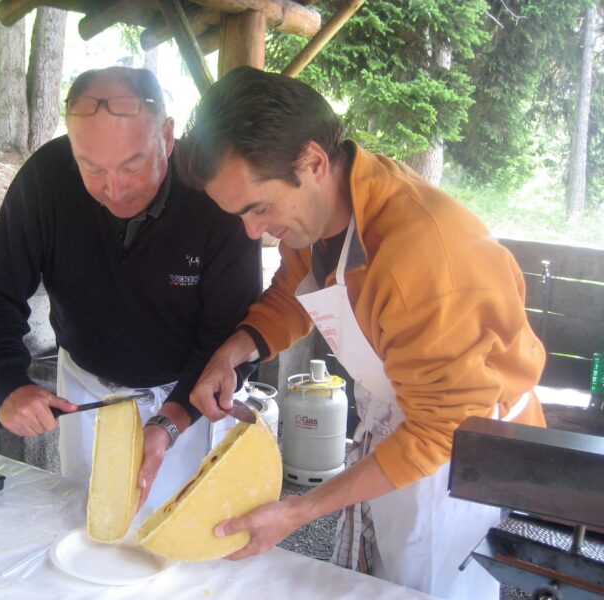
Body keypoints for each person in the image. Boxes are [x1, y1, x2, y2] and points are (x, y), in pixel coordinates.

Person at [174, 66, 546, 600]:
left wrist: (301, 510)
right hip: (404, 422)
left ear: (314, 162)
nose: (251, 231)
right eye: (239, 214)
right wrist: (232, 353)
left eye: (258, 208)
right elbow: (291, 294)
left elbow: (440, 431)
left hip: (462, 456)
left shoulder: (420, 259)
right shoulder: (319, 213)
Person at [0, 66, 261, 511]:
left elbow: (231, 333)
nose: (115, 190)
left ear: (165, 136)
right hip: (86, 390)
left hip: (188, 395)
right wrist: (6, 382)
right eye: (91, 168)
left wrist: (172, 421)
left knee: (177, 537)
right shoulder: (47, 179)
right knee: (89, 527)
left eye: (132, 164)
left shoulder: (213, 195)